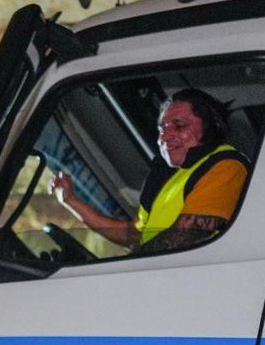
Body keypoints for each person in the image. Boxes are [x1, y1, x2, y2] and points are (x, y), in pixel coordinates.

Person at [51, 88, 250, 254]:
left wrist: (123, 273)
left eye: (179, 126)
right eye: (162, 128)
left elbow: (184, 236)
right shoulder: (165, 174)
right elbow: (134, 235)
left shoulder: (226, 165)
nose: (165, 136)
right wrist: (70, 201)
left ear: (212, 126)